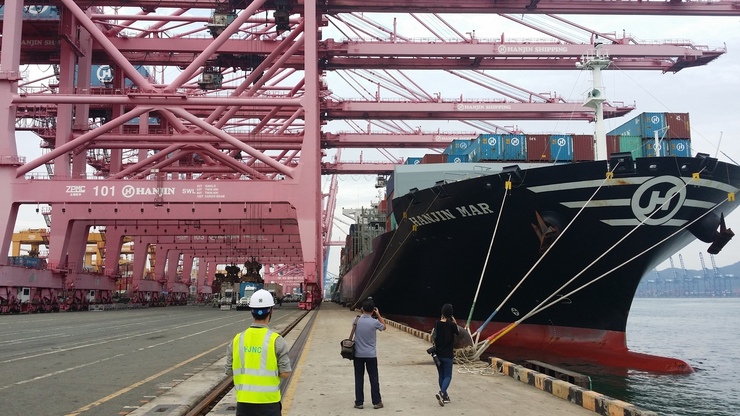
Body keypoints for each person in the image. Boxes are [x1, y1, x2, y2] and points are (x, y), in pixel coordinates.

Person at [225, 289, 292, 416]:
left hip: (243, 404)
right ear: (271, 311)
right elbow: (285, 373)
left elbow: (229, 371)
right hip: (269, 404)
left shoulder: (237, 339)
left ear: (252, 311)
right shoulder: (276, 340)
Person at [352, 298, 386, 410]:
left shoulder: (356, 320)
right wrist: (378, 314)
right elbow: (384, 327)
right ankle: (377, 402)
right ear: (373, 310)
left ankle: (359, 402)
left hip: (358, 355)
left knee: (358, 378)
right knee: (374, 378)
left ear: (362, 309)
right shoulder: (374, 322)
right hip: (371, 355)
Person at [433, 303, 459, 407]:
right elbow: (458, 333)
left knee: (441, 376)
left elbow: (434, 336)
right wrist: (453, 320)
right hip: (448, 355)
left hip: (438, 355)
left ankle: (445, 396)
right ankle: (442, 393)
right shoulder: (452, 325)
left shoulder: (437, 323)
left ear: (442, 312)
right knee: (448, 376)